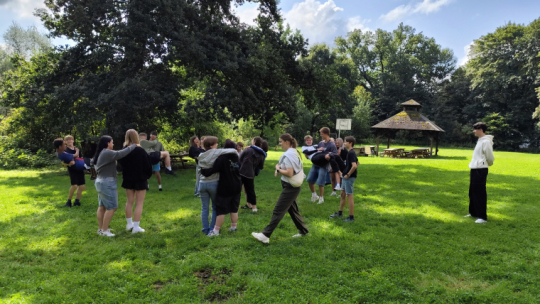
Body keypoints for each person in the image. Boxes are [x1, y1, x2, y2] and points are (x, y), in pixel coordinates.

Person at [252, 134, 308, 244]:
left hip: (290, 187)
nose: (279, 144)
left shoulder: (288, 155)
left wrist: (278, 169)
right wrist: (279, 168)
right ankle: (303, 231)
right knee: (293, 210)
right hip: (293, 187)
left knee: (278, 210)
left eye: (281, 141)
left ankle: (265, 235)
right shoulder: (294, 152)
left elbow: (290, 173)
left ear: (287, 142)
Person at [93, 135, 138, 237]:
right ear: (108, 143)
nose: (113, 144)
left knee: (102, 206)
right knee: (112, 207)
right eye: (112, 142)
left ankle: (101, 229)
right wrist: (134, 145)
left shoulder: (102, 152)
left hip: (100, 181)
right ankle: (104, 231)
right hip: (107, 182)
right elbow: (120, 153)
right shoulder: (107, 152)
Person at [198, 136, 238, 235]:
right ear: (212, 146)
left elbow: (200, 169)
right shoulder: (217, 153)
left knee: (204, 208)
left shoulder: (201, 155)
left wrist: (204, 172)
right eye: (216, 143)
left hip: (202, 184)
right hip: (214, 183)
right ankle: (213, 229)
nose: (217, 145)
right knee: (216, 208)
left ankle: (205, 229)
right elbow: (232, 151)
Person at [118, 129, 153, 234]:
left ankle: (129, 224)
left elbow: (121, 164)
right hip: (140, 178)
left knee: (129, 201)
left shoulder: (124, 150)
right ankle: (136, 227)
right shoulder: (140, 150)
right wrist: (147, 175)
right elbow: (148, 165)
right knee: (139, 203)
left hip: (128, 178)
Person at [466, 122, 494, 224]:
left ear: (480, 130)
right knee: (472, 191)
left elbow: (490, 157)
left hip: (480, 169)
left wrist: (487, 164)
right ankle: (473, 213)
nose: (473, 131)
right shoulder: (480, 140)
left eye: (475, 129)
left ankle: (482, 217)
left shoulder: (486, 141)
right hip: (474, 168)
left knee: (479, 193)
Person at [305, 128, 338, 204]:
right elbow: (315, 151)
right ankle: (314, 195)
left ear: (326, 134)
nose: (321, 135)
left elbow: (335, 154)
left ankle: (321, 198)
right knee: (309, 180)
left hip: (324, 165)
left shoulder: (331, 144)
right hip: (315, 164)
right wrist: (308, 154)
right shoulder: (321, 143)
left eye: (322, 134)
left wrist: (329, 155)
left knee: (320, 182)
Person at [330, 136, 358, 222]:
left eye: (346, 142)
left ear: (350, 143)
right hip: (345, 176)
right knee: (342, 194)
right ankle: (340, 213)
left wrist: (348, 174)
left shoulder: (351, 153)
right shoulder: (350, 152)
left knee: (349, 196)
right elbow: (358, 162)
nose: (344, 143)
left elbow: (354, 165)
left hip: (349, 178)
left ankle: (351, 217)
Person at [238, 137, 267, 212]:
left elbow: (240, 159)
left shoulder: (248, 149)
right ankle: (254, 207)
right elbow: (261, 167)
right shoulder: (262, 154)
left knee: (237, 190)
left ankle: (234, 206)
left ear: (254, 142)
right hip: (251, 174)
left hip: (241, 172)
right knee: (251, 190)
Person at [62, 135, 86, 207]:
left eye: (70, 139)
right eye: (67, 140)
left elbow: (81, 158)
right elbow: (63, 162)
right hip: (72, 169)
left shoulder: (77, 149)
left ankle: (77, 201)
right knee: (74, 185)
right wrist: (68, 164)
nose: (69, 141)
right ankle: (68, 202)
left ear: (73, 140)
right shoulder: (65, 150)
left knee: (81, 186)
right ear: (65, 142)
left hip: (80, 168)